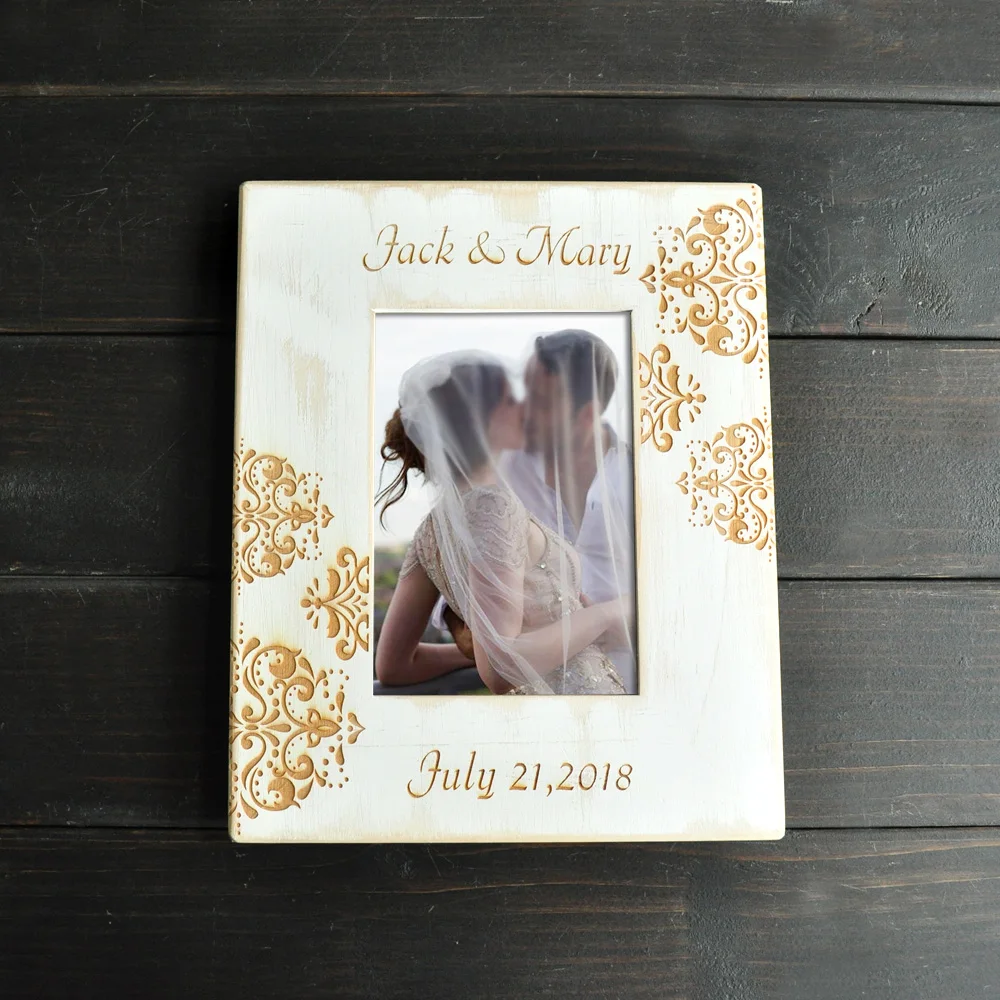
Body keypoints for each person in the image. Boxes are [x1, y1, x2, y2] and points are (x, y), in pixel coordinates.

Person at [374, 350, 630, 695]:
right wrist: (607, 615)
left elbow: (395, 666)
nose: (523, 408)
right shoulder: (491, 505)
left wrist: (480, 649)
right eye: (510, 401)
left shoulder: (432, 529)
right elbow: (499, 670)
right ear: (480, 420)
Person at [439, 330, 638, 693]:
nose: (524, 410)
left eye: (542, 402)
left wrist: (626, 614)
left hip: (635, 682)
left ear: (586, 415)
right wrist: (485, 639)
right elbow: (453, 584)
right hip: (533, 692)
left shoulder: (641, 480)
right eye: (525, 391)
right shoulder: (499, 474)